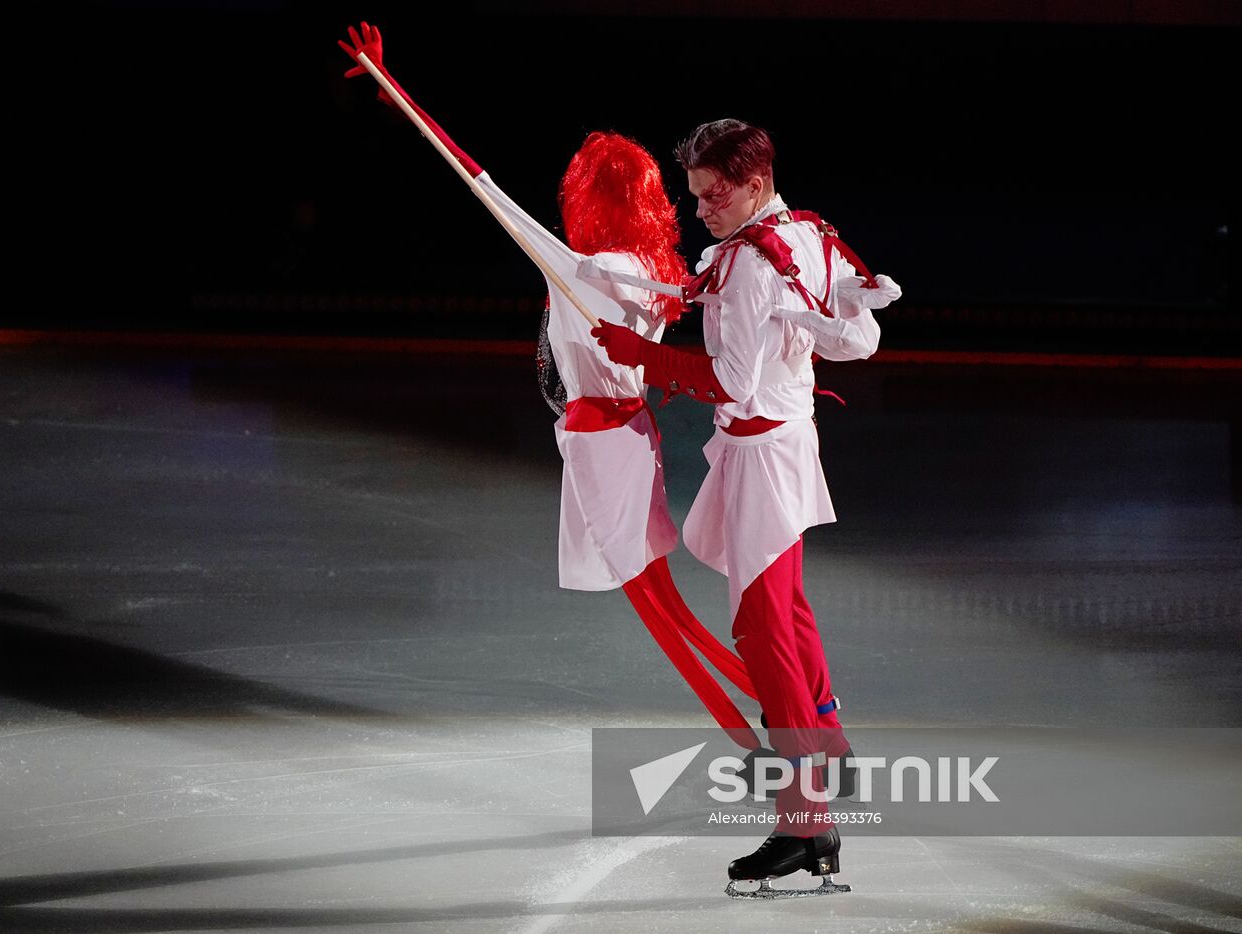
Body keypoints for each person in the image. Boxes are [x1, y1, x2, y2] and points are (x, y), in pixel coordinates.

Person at [337, 26, 764, 751]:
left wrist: (392, 88)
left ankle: (760, 737)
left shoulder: (583, 267)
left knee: (660, 615)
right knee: (667, 608)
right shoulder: (654, 270)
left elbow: (479, 182)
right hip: (633, 438)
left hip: (603, 444)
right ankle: (779, 705)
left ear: (588, 195)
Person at [593, 117, 900, 897]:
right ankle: (825, 744)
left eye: (713, 194)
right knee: (788, 611)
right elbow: (849, 340)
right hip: (787, 442)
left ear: (754, 184)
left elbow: (728, 381)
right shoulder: (804, 232)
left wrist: (643, 356)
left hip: (764, 458)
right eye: (694, 194)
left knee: (764, 630)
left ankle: (807, 820)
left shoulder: (751, 265)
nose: (701, 209)